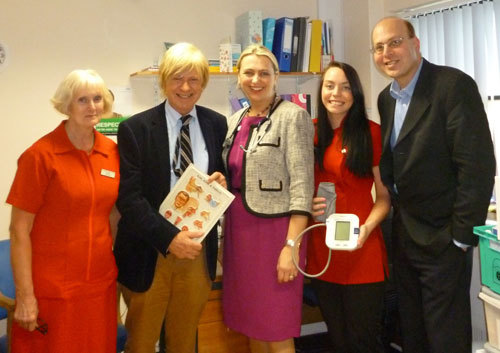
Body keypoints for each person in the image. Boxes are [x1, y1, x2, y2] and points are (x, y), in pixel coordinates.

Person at [371, 16, 496, 353]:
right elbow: (396, 163)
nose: (387, 53)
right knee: (414, 334)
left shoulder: (451, 86)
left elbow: (478, 166)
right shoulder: (387, 98)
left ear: (415, 44)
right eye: (379, 48)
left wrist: (459, 236)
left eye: (394, 42)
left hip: (443, 238)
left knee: (446, 338)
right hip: (405, 236)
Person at [113, 42, 227, 353]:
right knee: (141, 342)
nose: (186, 87)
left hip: (196, 252)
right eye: (177, 78)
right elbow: (130, 199)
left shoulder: (217, 124)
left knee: (183, 340)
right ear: (164, 81)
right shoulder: (135, 129)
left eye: (194, 79)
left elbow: (217, 179)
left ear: (203, 82)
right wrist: (170, 238)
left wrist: (219, 181)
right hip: (149, 251)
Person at [6, 69, 120, 353]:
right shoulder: (40, 156)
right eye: (82, 100)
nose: (92, 107)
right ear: (66, 105)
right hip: (53, 291)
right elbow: (19, 230)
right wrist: (25, 296)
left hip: (99, 288)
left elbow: (114, 214)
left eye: (97, 98)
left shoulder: (112, 152)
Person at [222, 44, 314, 353]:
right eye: (248, 72)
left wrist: (291, 247)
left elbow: (302, 186)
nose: (256, 79)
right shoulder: (234, 121)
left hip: (276, 236)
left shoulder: (293, 117)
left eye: (264, 73)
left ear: (276, 78)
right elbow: (235, 176)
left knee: (276, 327)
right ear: (239, 77)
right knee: (251, 324)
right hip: (240, 234)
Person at [306, 61, 391, 353]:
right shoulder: (309, 131)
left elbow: (384, 198)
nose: (336, 93)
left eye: (345, 87)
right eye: (329, 86)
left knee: (362, 341)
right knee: (338, 339)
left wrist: (367, 228)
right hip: (322, 248)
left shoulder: (371, 133)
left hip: (361, 248)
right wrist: (307, 203)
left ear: (355, 93)